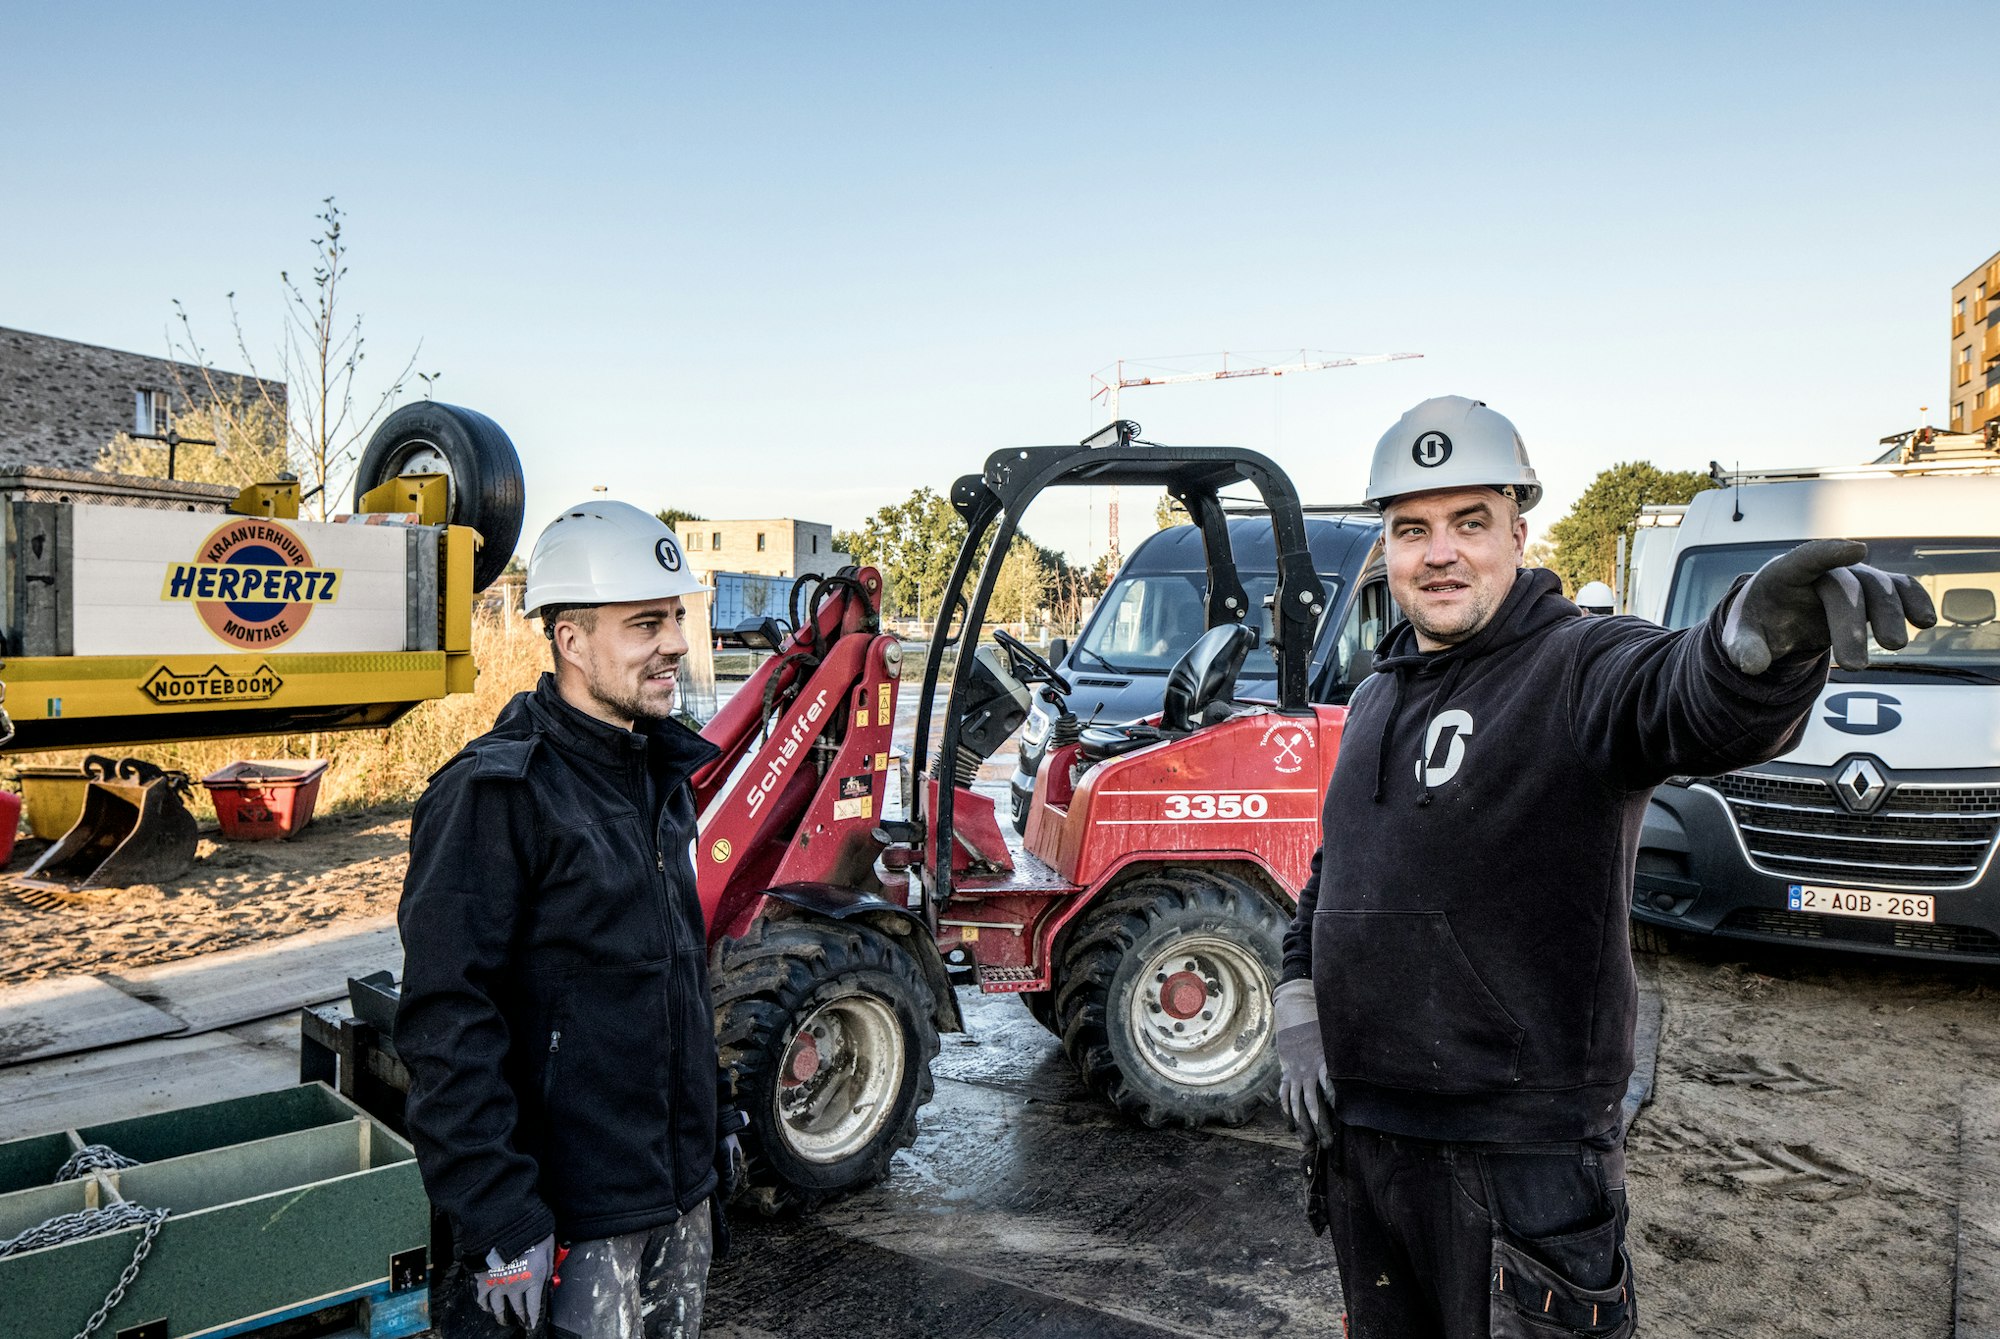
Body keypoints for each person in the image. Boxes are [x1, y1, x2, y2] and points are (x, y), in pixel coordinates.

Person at [1272, 396, 1932, 1338]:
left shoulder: (1577, 665)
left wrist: (1752, 647)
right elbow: (1337, 872)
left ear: (1518, 533)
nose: (1441, 551)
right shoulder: (1375, 695)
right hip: (1366, 1148)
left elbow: (1681, 696)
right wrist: (1298, 996)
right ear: (1388, 550)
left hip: (1519, 1166)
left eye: (1471, 522)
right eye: (1412, 529)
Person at [396, 500, 744, 1338]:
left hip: (676, 1198)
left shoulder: (654, 773)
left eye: (675, 618)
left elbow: (672, 980)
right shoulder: (497, 794)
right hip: (570, 1228)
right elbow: (447, 1025)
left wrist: (717, 1127)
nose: (674, 642)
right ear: (571, 639)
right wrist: (505, 1217)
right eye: (644, 623)